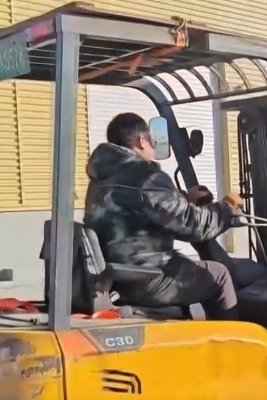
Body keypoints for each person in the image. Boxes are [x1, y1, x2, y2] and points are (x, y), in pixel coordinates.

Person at [83, 112, 243, 320]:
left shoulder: (103, 177)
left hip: (117, 274)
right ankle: (234, 340)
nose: (153, 145)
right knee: (219, 276)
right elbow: (193, 226)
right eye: (151, 140)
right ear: (142, 141)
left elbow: (140, 208)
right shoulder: (146, 177)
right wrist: (227, 208)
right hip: (146, 277)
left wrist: (184, 199)